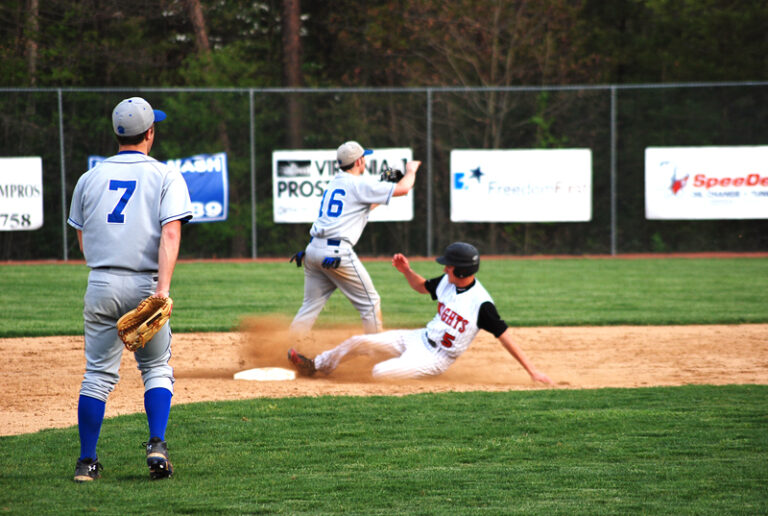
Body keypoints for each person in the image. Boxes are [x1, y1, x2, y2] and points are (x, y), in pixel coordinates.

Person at [67, 97, 193, 482]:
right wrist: (162, 291)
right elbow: (171, 232)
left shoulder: (89, 177)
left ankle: (87, 463)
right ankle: (156, 445)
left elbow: (83, 235)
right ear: (150, 132)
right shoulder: (165, 175)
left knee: (97, 376)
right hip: (145, 284)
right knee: (156, 367)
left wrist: (104, 269)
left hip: (101, 282)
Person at [288, 242, 553, 384]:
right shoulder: (448, 282)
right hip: (418, 338)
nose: (445, 269)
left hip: (437, 357)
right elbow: (422, 286)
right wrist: (406, 271)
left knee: (381, 373)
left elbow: (505, 337)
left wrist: (533, 372)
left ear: (461, 271)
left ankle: (365, 374)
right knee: (359, 341)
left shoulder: (481, 305)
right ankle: (316, 366)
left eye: (449, 266)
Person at [289, 141, 421, 334]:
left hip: (313, 251)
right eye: (364, 157)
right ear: (359, 161)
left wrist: (385, 187)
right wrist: (411, 170)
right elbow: (404, 189)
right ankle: (376, 350)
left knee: (309, 306)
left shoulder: (335, 183)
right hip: (336, 252)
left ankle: (287, 347)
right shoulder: (359, 184)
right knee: (370, 303)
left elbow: (362, 206)